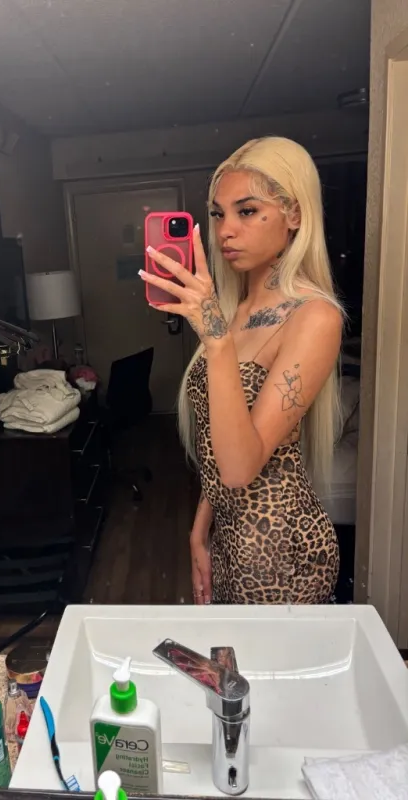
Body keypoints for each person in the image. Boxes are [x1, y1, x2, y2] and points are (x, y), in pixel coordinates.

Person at [139, 137, 342, 605]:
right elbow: (219, 439)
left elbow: (239, 467)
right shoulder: (235, 311)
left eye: (247, 211)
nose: (225, 230)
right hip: (230, 538)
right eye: (218, 214)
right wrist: (199, 530)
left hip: (282, 549)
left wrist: (215, 338)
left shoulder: (314, 317)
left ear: (294, 215)